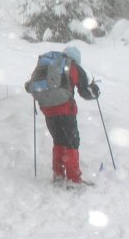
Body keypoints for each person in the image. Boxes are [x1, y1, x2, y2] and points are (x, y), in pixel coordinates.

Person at [40, 45, 100, 184]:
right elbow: (85, 92)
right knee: (72, 143)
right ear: (77, 59)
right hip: (65, 111)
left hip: (48, 110)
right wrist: (95, 90)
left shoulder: (51, 66)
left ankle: (58, 174)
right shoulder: (75, 68)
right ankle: (74, 178)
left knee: (59, 141)